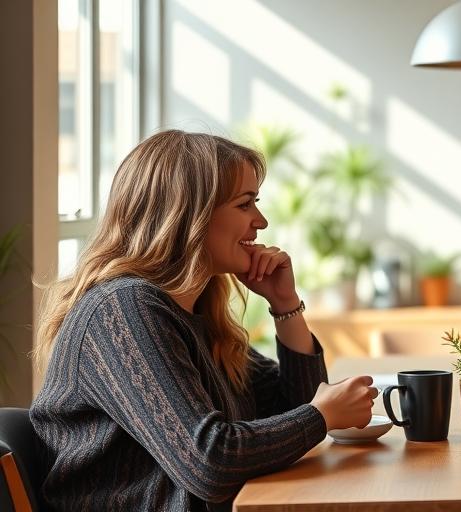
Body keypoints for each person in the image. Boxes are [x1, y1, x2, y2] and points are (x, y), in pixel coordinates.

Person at [31, 131, 379, 511]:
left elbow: (293, 405)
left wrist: (285, 305)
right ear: (189, 213)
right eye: (245, 205)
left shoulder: (196, 312)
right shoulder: (122, 310)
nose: (260, 222)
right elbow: (209, 462)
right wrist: (323, 415)